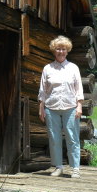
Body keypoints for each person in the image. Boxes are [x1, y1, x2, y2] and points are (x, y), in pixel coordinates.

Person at [38, 35, 84, 178]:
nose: (61, 51)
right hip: (51, 108)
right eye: (58, 49)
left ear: (67, 50)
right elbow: (43, 90)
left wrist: (79, 106)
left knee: (72, 137)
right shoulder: (47, 68)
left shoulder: (73, 68)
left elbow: (78, 88)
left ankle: (75, 168)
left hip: (70, 107)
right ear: (54, 50)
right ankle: (58, 167)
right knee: (54, 138)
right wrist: (41, 107)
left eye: (63, 49)